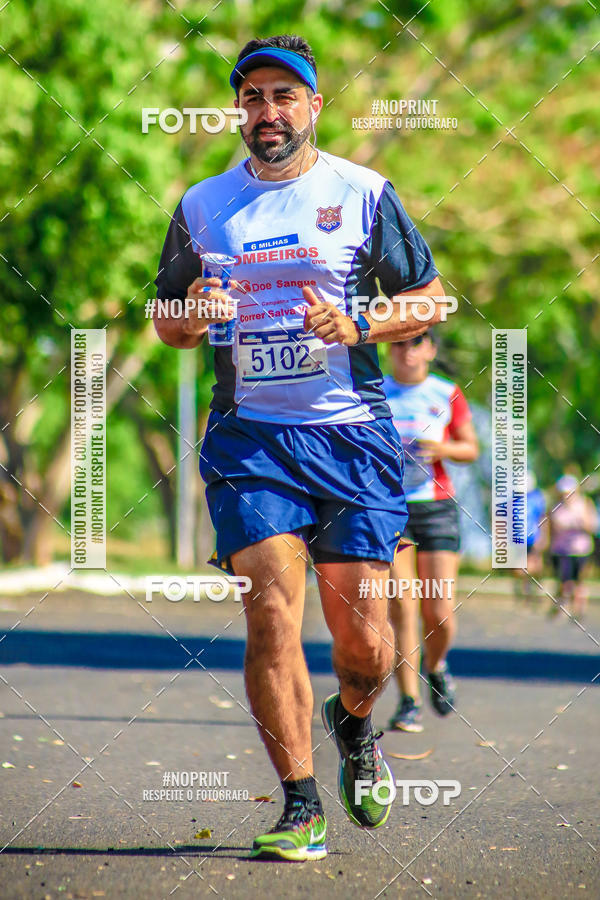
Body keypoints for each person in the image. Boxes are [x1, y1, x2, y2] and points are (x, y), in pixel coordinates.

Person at [153, 33, 445, 862]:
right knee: (271, 611)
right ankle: (300, 804)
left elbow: (428, 299)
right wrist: (194, 314)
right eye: (253, 97)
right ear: (238, 110)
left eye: (284, 96)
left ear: (314, 105)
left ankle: (353, 723)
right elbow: (166, 320)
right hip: (249, 441)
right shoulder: (203, 204)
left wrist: (360, 322)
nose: (268, 111)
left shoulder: (364, 192)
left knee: (366, 652)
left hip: (351, 439)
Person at [384, 330, 478, 733]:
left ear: (431, 350)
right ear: (389, 348)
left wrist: (442, 449)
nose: (406, 350)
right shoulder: (374, 390)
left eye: (416, 342)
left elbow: (470, 448)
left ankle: (436, 665)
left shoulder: (445, 392)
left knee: (438, 611)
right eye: (399, 343)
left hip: (436, 506)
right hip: (390, 508)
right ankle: (409, 701)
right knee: (402, 605)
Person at [549, 474, 597, 618]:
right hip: (562, 550)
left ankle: (579, 610)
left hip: (581, 550)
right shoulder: (556, 507)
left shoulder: (584, 504)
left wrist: (580, 524)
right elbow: (551, 528)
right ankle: (562, 606)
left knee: (579, 581)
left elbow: (592, 526)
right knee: (565, 581)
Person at [514, 472, 547, 601]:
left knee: (535, 566)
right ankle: (525, 592)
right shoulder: (513, 500)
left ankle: (534, 589)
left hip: (534, 538)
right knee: (520, 569)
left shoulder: (537, 499)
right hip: (519, 540)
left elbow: (542, 518)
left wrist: (543, 537)